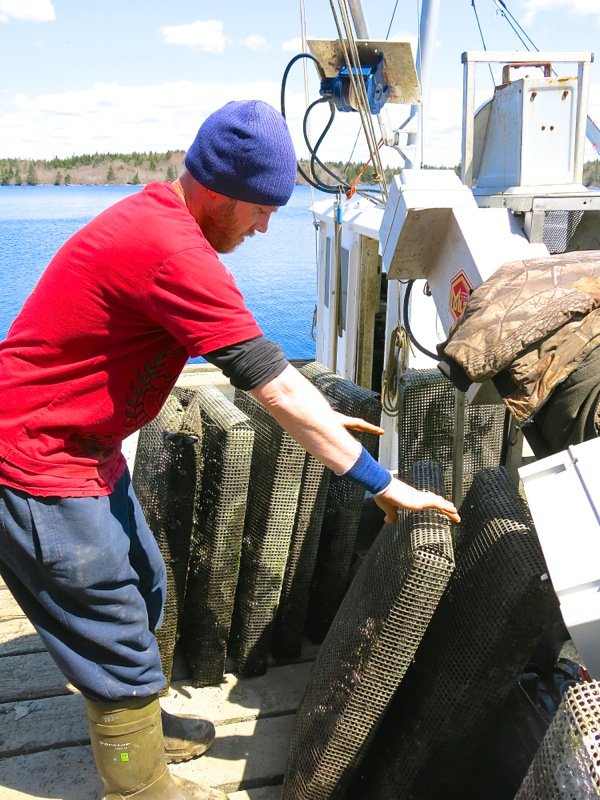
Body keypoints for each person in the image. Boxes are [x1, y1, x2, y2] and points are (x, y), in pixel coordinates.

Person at [0, 100, 460, 800]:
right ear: (216, 191)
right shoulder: (169, 247)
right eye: (258, 210)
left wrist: (325, 418)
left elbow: (262, 369)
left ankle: (140, 726)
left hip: (85, 448)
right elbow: (275, 386)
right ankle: (136, 785)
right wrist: (380, 481)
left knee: (144, 582)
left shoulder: (166, 220)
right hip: (34, 459)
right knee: (115, 633)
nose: (265, 226)